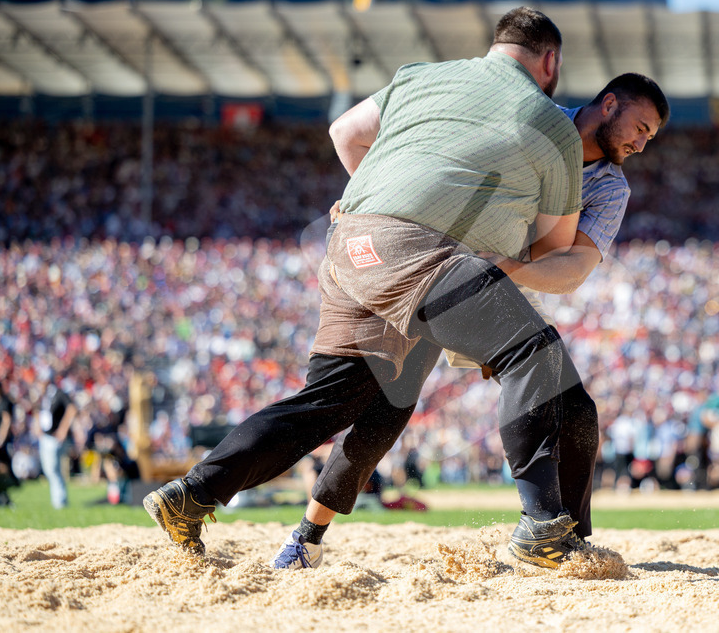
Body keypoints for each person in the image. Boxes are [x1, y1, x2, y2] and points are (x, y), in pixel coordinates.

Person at [145, 6, 588, 568]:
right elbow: (553, 248)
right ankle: (544, 525)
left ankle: (199, 495)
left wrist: (384, 202)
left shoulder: (419, 76)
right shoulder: (552, 123)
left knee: (355, 402)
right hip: (424, 256)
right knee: (533, 350)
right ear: (549, 61)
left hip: (353, 239)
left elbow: (344, 132)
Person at [271, 73, 670, 569]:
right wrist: (368, 200)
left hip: (501, 286)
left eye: (650, 136)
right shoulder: (532, 119)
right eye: (640, 126)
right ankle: (306, 536)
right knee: (387, 406)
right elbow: (426, 152)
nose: (641, 142)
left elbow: (573, 267)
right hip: (432, 267)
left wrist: (507, 268)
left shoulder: (611, 188)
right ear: (608, 103)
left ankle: (564, 538)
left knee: (577, 411)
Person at [38, 378, 78, 509]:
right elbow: (39, 413)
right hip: (46, 437)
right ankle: (58, 501)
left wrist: (63, 428)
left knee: (54, 470)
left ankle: (60, 502)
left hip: (54, 439)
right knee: (50, 471)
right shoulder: (44, 397)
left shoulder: (59, 394)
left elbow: (72, 408)